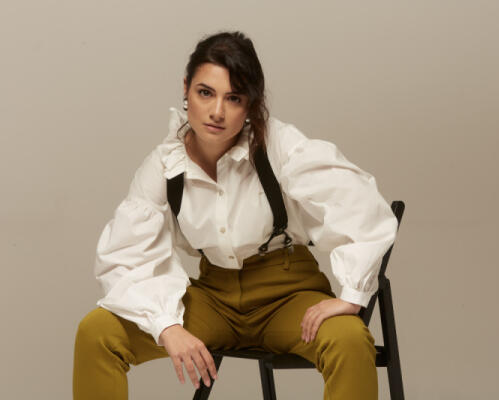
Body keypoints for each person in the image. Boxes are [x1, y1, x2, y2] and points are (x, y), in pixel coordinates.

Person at [73, 30, 398, 400]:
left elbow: (359, 205)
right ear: (186, 88)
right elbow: (126, 256)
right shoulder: (164, 166)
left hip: (287, 296)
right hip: (214, 299)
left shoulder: (278, 145)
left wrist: (353, 294)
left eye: (234, 98)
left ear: (251, 105)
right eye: (205, 93)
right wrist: (166, 326)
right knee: (97, 333)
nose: (217, 111)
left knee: (350, 340)